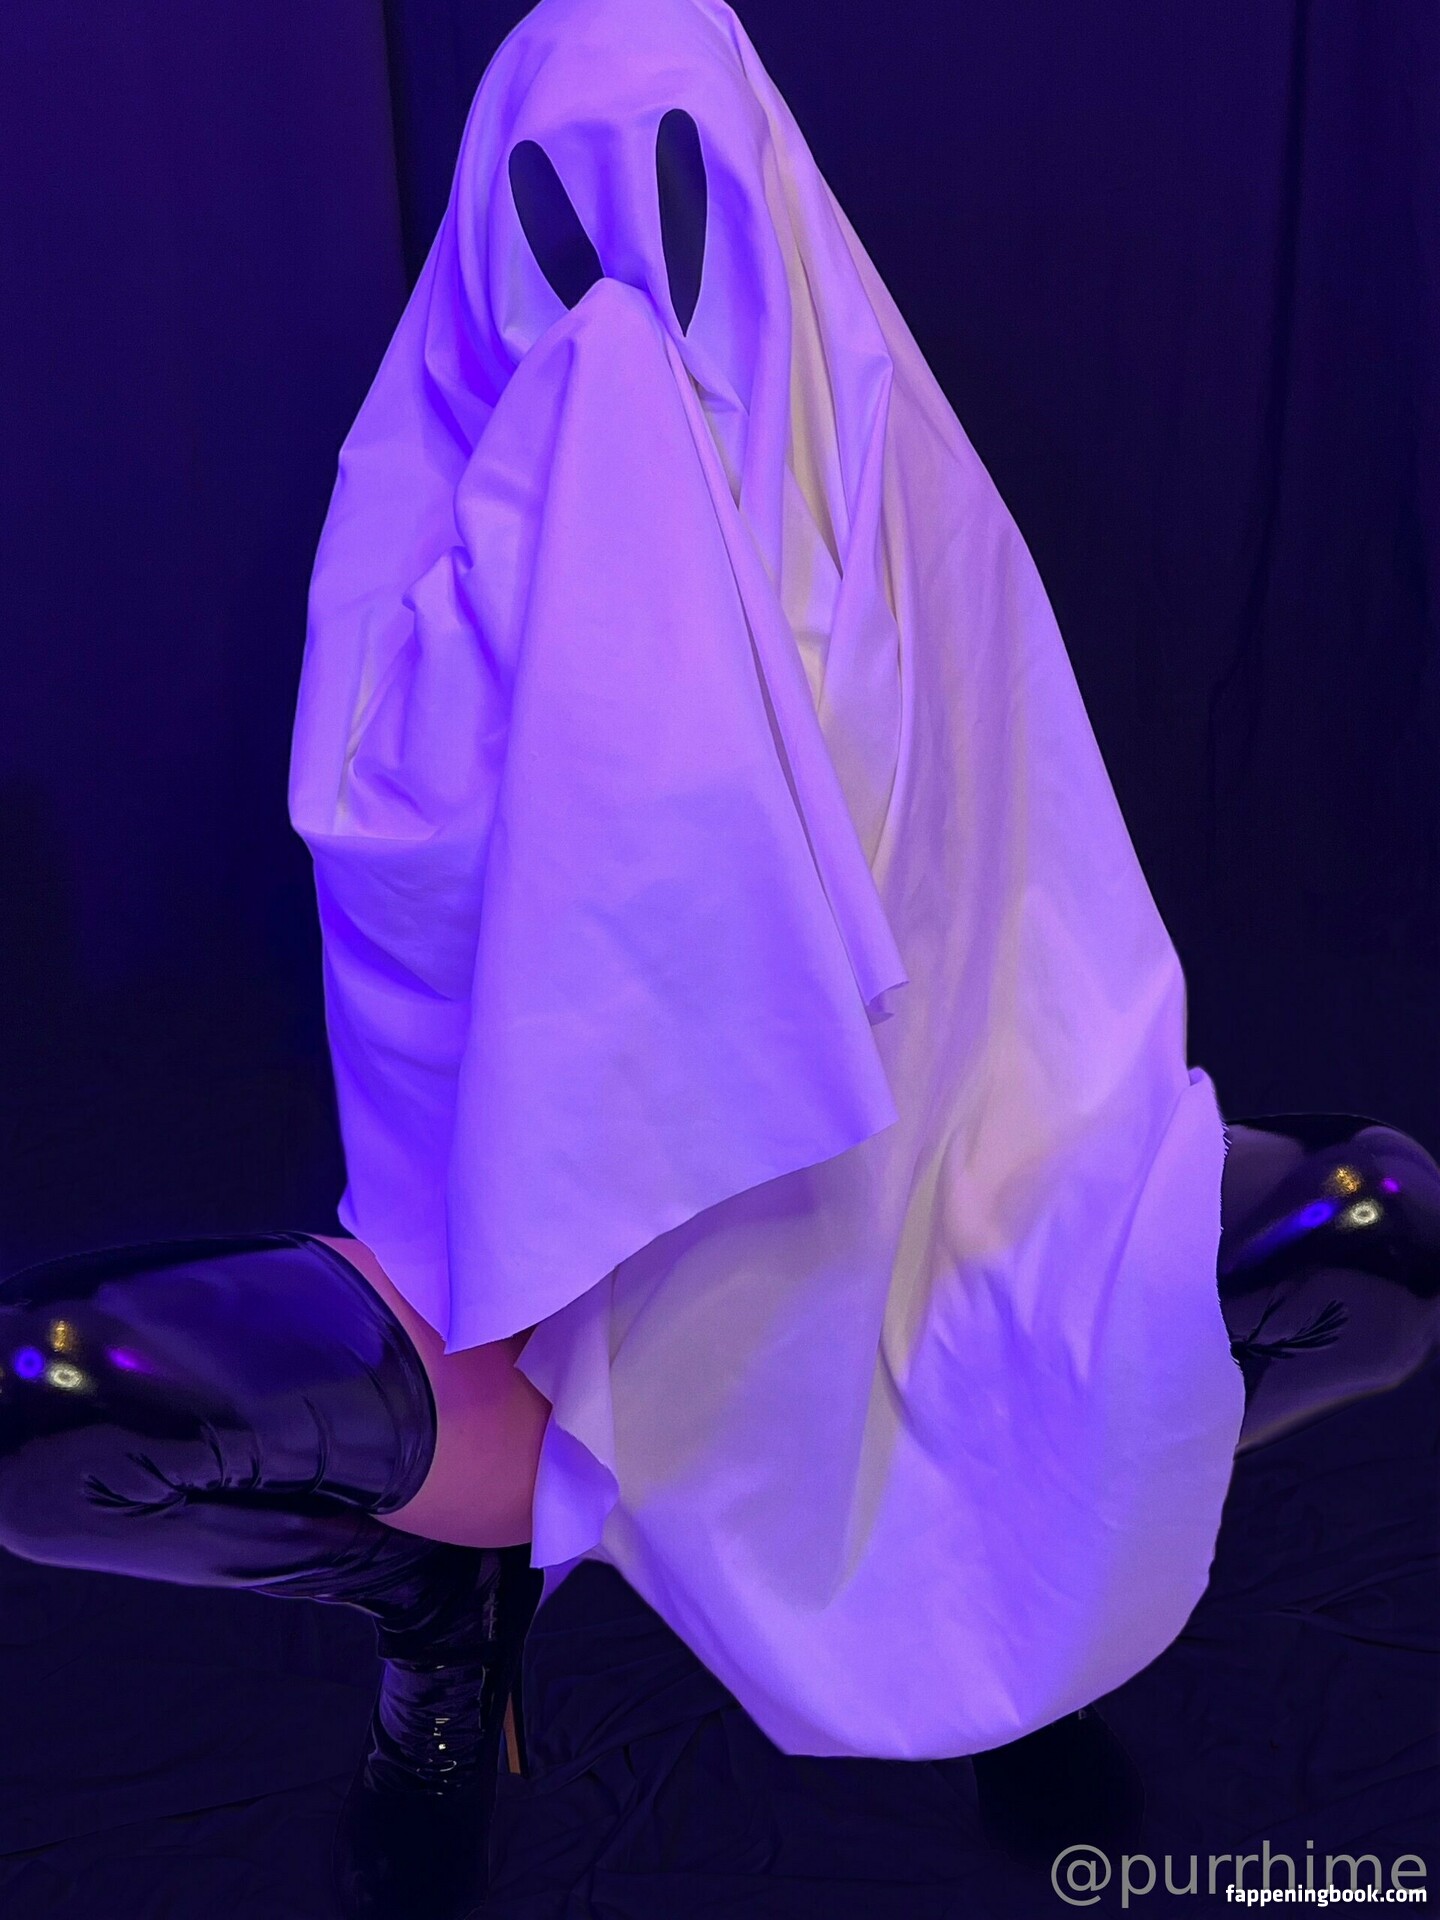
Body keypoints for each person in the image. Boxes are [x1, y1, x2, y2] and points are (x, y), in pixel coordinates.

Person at [4, 2, 1437, 1915]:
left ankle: (1015, 1563)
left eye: (677, 211)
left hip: (938, 1237)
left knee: (1377, 1229)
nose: (617, 314)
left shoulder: (903, 519)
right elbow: (446, 1055)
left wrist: (1003, 1206)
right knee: (58, 1397)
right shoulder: (410, 609)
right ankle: (440, 1601)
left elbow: (1029, 940)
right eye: (554, 223)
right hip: (523, 1341)